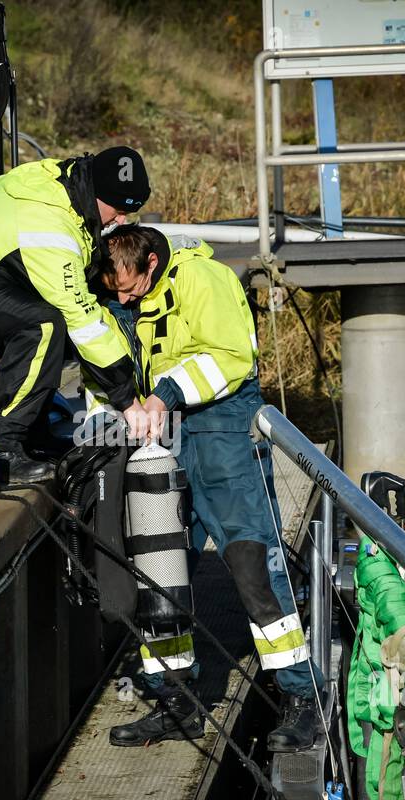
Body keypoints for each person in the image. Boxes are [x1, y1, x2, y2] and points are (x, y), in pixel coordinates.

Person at [84, 224, 326, 752]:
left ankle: (302, 698)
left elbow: (232, 356)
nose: (122, 298)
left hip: (219, 423)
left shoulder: (205, 279)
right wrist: (104, 417)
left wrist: (166, 393)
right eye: (114, 291)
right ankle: (175, 700)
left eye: (130, 289)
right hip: (154, 433)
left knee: (251, 561)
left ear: (151, 263)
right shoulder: (114, 290)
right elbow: (103, 363)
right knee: (157, 572)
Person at [0, 147, 153, 485]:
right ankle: (4, 450)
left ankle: (29, 433)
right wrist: (126, 398)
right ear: (98, 194)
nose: (120, 221)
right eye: (119, 210)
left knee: (53, 325)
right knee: (45, 325)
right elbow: (81, 316)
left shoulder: (67, 189)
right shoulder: (50, 221)